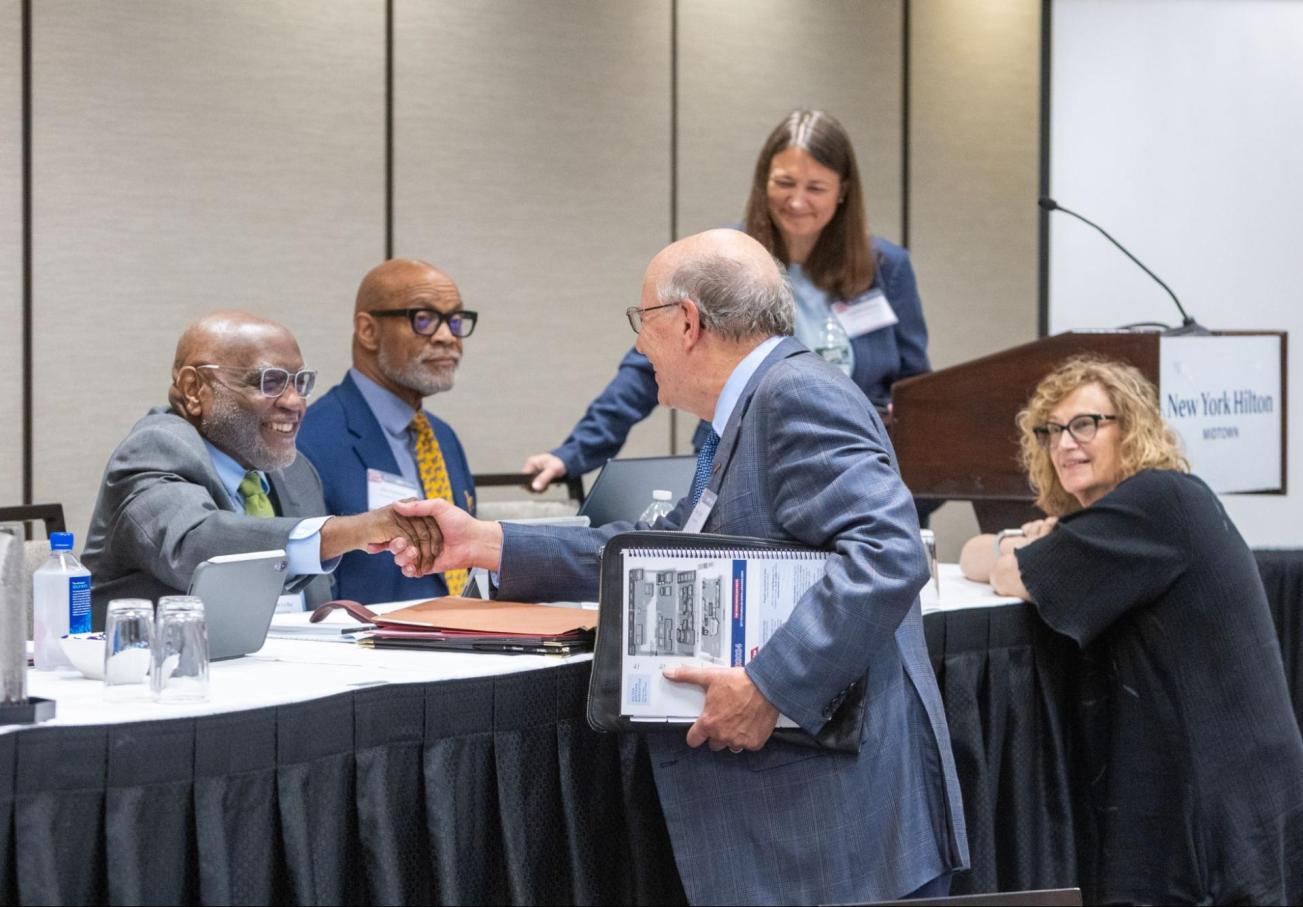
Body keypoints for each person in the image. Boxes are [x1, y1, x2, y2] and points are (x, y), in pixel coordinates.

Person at [380, 230, 968, 906]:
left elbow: (888, 553)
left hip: (838, 836)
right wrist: (484, 542)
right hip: (814, 831)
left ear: (687, 322)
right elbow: (660, 549)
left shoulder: (794, 396)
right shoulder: (752, 405)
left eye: (643, 322)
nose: (638, 347)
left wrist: (769, 685)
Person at [959, 356, 1303, 905]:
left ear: (1131, 429)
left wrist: (1019, 548)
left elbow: (1001, 568)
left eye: (1086, 424)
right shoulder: (1134, 516)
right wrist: (1027, 543)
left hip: (1219, 800)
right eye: (1051, 431)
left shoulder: (1155, 501)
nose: (1065, 444)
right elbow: (971, 553)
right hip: (1234, 787)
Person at [521, 108, 930, 491]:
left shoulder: (885, 267)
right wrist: (573, 453)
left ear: (843, 191)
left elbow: (917, 391)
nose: (797, 201)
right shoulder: (727, 258)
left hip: (850, 466)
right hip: (736, 465)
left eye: (816, 187)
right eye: (784, 183)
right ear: (763, 180)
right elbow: (650, 364)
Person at [82, 311, 443, 628]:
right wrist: (353, 530)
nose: (294, 402)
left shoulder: (296, 472)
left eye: (300, 383)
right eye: (268, 382)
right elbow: (195, 545)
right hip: (168, 681)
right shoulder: (156, 448)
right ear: (194, 389)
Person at [297, 259, 477, 604]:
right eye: (423, 319)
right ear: (368, 330)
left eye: (455, 321)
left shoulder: (444, 437)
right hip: (361, 648)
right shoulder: (308, 440)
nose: (446, 336)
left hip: (463, 642)